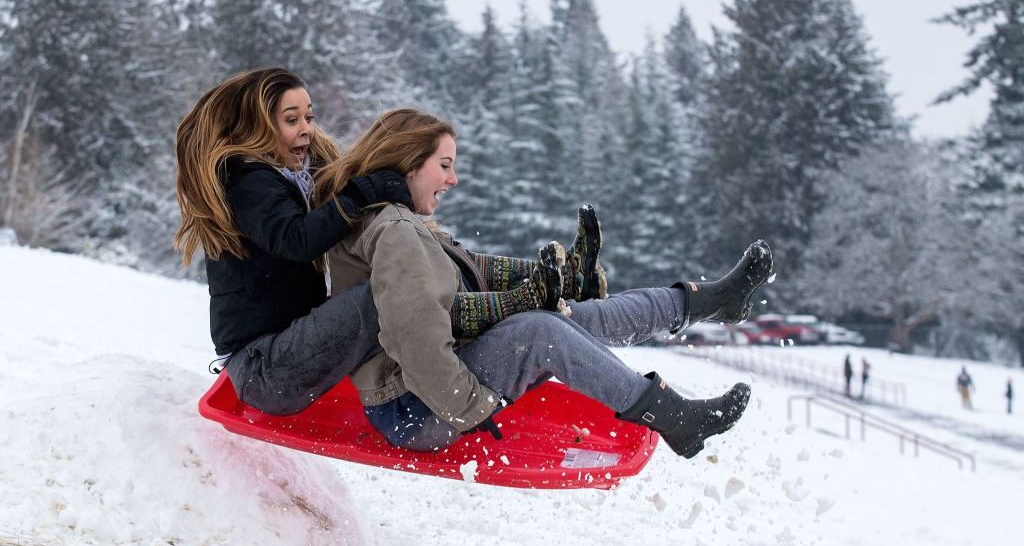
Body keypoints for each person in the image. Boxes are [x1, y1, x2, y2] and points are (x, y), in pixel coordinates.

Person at [315, 108, 775, 458]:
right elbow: (415, 338)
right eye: (445, 165)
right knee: (541, 333)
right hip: (416, 409)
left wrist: (561, 278)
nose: (453, 179)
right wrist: (470, 407)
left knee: (567, 316)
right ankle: (676, 419)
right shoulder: (393, 231)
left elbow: (471, 268)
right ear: (409, 163)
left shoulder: (402, 223)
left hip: (428, 391)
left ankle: (709, 301)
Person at [173, 68, 599, 416]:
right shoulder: (248, 183)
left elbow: (348, 181)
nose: (306, 129)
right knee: (388, 294)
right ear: (259, 125)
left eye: (309, 116)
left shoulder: (298, 173)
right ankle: (517, 302)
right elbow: (297, 240)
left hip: (298, 346)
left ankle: (553, 278)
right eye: (292, 120)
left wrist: (389, 176)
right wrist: (363, 192)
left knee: (418, 261)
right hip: (264, 368)